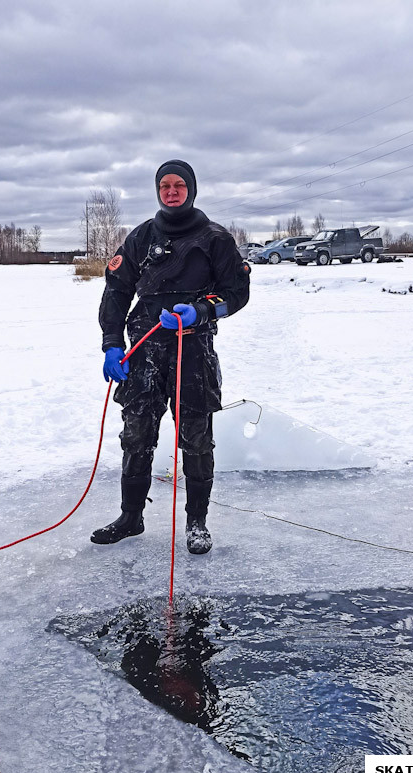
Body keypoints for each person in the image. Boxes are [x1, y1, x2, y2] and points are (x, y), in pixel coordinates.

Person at [92, 159, 250, 554]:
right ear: (158, 190)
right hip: (144, 348)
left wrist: (202, 310)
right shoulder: (141, 237)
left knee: (196, 440)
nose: (172, 191)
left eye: (179, 185)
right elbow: (115, 291)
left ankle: (197, 523)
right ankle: (131, 517)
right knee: (136, 435)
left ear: (191, 190)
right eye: (165, 185)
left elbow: (237, 293)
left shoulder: (215, 238)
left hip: (192, 349)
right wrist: (112, 342)